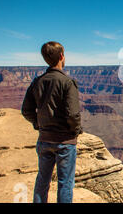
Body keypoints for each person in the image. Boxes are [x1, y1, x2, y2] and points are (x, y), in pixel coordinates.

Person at [21, 41, 82, 203]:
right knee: (65, 183)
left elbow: (26, 111)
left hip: (44, 139)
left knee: (42, 180)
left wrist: (38, 124)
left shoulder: (37, 82)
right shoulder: (67, 83)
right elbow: (73, 114)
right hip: (64, 142)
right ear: (62, 56)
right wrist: (74, 131)